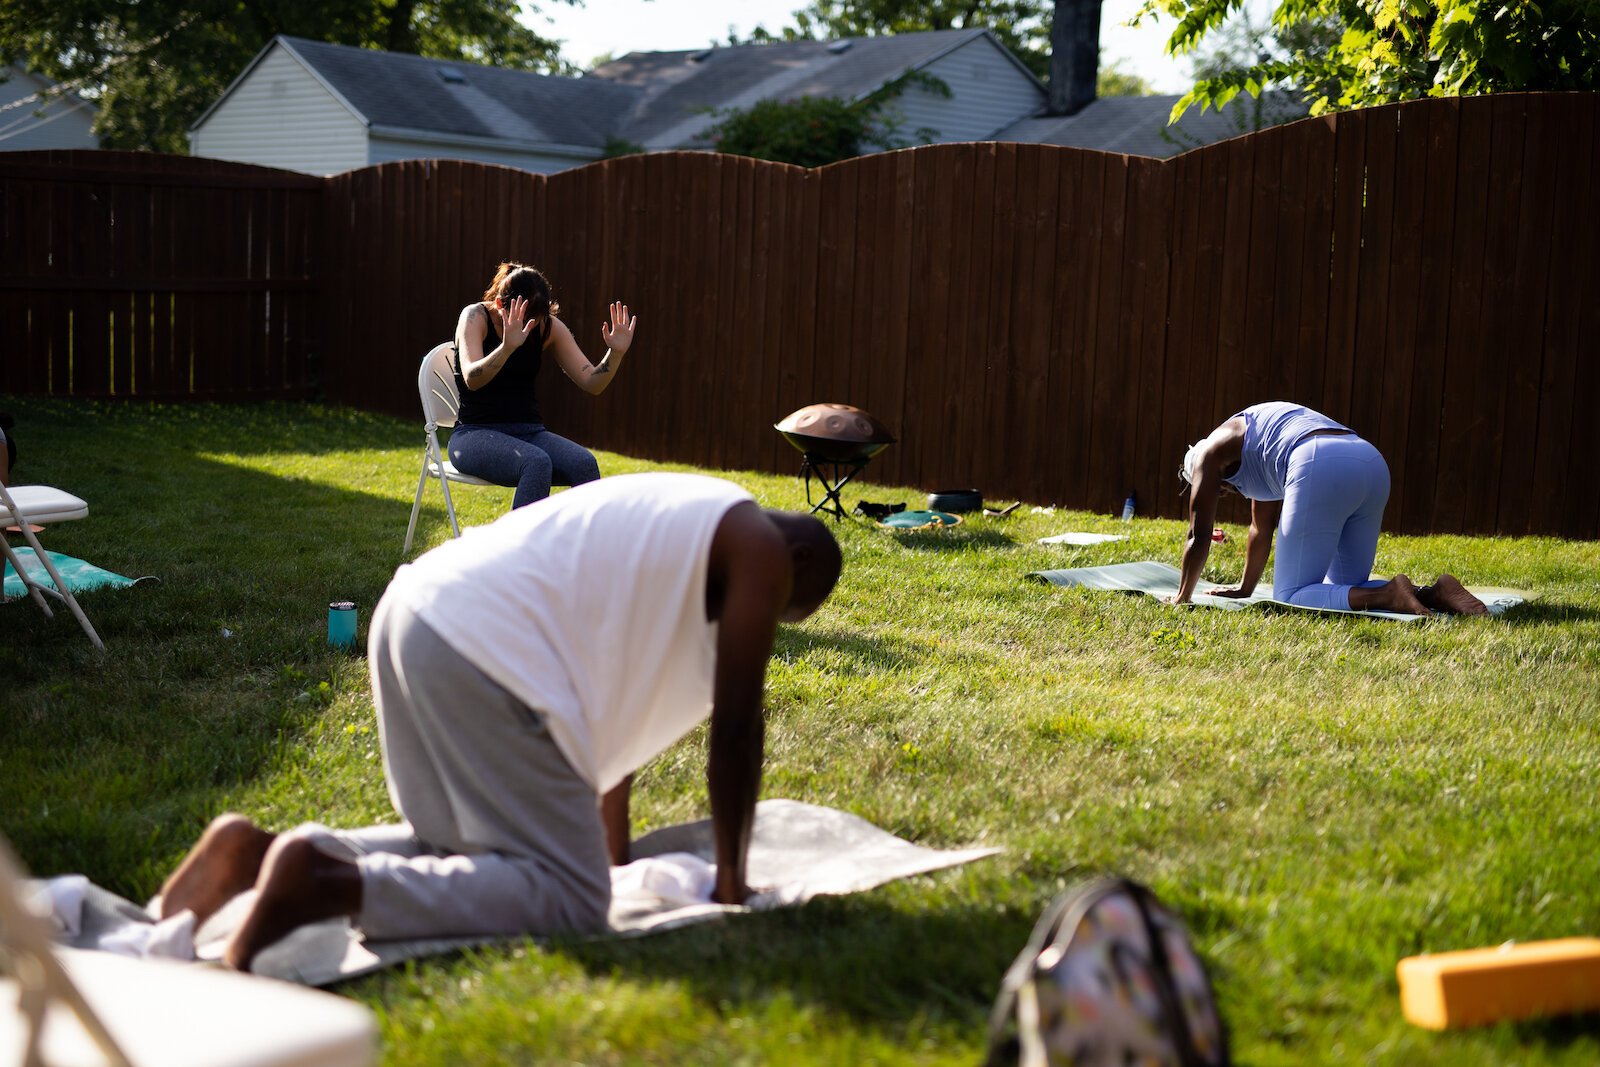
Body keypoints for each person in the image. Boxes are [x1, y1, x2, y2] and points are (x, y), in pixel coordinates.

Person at [157, 473, 843, 971]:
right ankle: (328, 884)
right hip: (481, 647)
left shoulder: (679, 518)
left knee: (469, 849)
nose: (770, 619)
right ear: (797, 561)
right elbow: (737, 729)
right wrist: (730, 879)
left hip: (415, 615)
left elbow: (619, 719)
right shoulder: (757, 544)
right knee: (576, 899)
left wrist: (603, 848)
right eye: (786, 607)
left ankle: (264, 853)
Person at [1172, 401, 1487, 616]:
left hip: (1318, 460)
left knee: (1291, 596)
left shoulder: (1207, 455)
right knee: (1341, 590)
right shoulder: (1255, 444)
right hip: (1370, 463)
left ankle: (1389, 594)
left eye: (1220, 487)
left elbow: (1198, 534)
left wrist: (1182, 597)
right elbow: (1260, 526)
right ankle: (1433, 592)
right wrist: (1244, 589)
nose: (1223, 492)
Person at [448, 261, 637, 509]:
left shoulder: (546, 326)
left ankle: (580, 546)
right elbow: (472, 378)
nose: (532, 327)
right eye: (527, 319)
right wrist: (507, 348)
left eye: (537, 319)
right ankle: (521, 547)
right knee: (536, 463)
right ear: (500, 305)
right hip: (474, 434)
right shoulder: (474, 317)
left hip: (529, 432)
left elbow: (592, 382)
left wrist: (616, 353)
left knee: (584, 464)